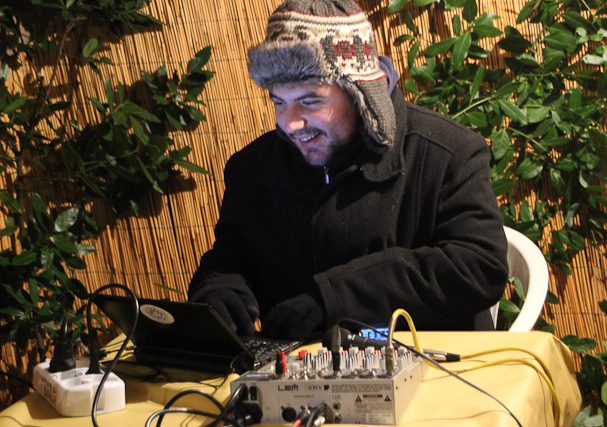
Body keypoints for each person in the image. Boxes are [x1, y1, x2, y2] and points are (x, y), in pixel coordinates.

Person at [189, 0, 509, 341]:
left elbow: (479, 266)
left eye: (310, 101)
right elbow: (231, 258)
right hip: (295, 368)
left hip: (435, 364)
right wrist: (218, 288)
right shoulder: (251, 169)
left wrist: (334, 298)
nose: (290, 123)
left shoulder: (447, 153)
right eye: (279, 101)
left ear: (360, 92)